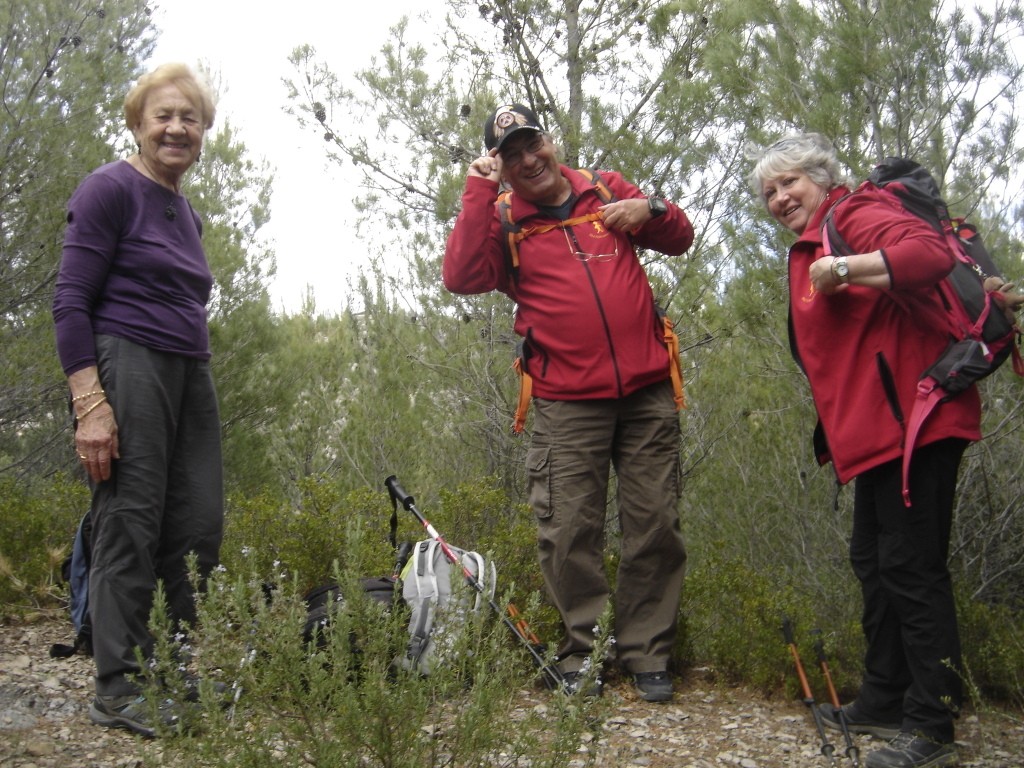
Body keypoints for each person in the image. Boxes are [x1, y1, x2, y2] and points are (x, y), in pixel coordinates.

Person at [443, 104, 693, 702]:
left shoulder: (606, 190)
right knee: (568, 529)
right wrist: (478, 191)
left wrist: (650, 208)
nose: (529, 160)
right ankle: (585, 651)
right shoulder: (501, 220)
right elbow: (462, 276)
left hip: (647, 391)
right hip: (565, 401)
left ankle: (646, 651)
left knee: (654, 522)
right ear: (500, 167)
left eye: (534, 144)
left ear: (551, 142)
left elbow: (679, 237)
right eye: (511, 155)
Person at [748, 132, 982, 768]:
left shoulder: (850, 215)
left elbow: (929, 254)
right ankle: (884, 697)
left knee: (910, 566)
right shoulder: (812, 241)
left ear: (821, 179)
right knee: (875, 563)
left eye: (789, 182)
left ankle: (932, 723)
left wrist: (848, 266)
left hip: (918, 418)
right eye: (769, 192)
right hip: (877, 431)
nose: (779, 197)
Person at [52, 63, 224, 738]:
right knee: (130, 518)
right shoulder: (109, 188)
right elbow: (70, 302)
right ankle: (119, 687)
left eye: (190, 118)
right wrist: (90, 403)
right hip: (128, 359)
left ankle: (170, 671)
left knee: (198, 525)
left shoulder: (186, 210)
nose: (177, 128)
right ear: (138, 122)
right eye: (164, 115)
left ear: (203, 131)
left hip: (190, 370)